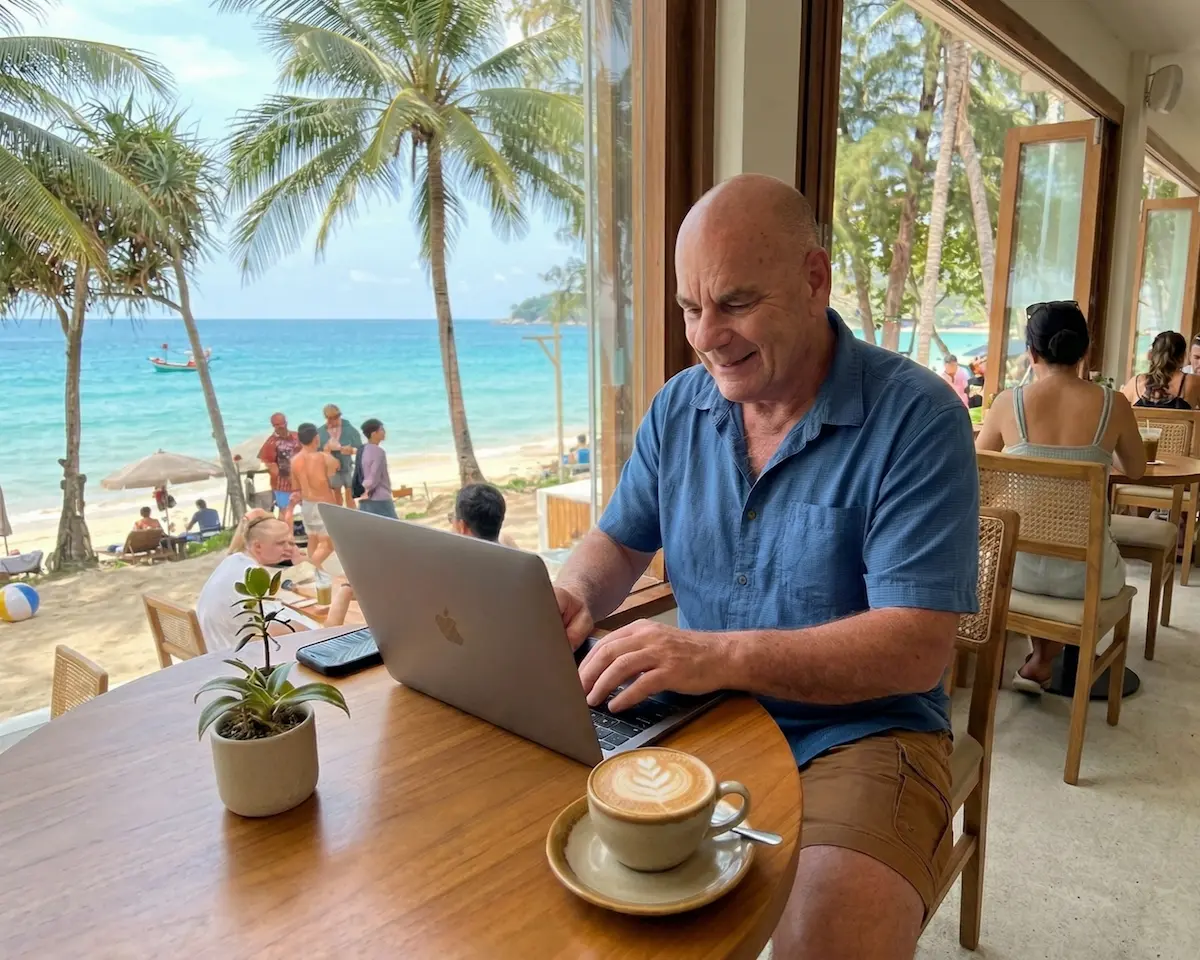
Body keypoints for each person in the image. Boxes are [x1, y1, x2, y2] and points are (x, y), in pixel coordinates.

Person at [552, 174, 978, 960]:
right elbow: (616, 542)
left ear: (814, 280)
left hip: (862, 732)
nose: (707, 334)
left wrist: (710, 654)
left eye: (735, 303)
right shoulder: (680, 407)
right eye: (689, 308)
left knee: (822, 944)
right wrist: (572, 592)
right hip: (697, 716)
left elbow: (917, 646)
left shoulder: (918, 418)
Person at [976, 301, 1146, 692]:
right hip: (1088, 580)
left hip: (1014, 573)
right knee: (1093, 556)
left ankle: (1040, 657)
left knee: (1040, 554)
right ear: (1084, 351)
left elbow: (981, 477)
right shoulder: (1114, 404)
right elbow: (1135, 469)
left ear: (1031, 353)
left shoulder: (1007, 403)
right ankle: (1043, 659)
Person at [195, 509, 355, 650]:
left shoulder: (234, 562)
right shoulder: (253, 578)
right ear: (257, 546)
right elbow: (324, 638)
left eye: (291, 542)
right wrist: (347, 589)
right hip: (250, 663)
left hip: (224, 649)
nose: (289, 548)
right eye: (281, 543)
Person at [291, 422, 340, 570]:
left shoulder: (294, 460)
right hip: (322, 504)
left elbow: (295, 487)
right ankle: (313, 567)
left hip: (307, 504)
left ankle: (315, 571)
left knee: (312, 539)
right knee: (328, 545)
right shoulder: (321, 457)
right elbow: (335, 468)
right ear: (316, 438)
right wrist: (328, 451)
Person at [1120, 330, 1200, 409]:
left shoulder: (1136, 383)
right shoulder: (1193, 382)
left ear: (1152, 355)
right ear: (1183, 357)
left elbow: (1116, 412)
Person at [258, 413, 303, 524]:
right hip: (282, 485)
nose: (279, 427)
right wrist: (288, 478)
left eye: (281, 423)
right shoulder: (271, 443)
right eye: (276, 425)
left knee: (307, 508)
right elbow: (270, 464)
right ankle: (284, 537)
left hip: (301, 481)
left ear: (286, 422)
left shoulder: (297, 437)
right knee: (285, 512)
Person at [317, 404, 362, 509]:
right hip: (331, 470)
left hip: (347, 466)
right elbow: (316, 453)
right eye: (330, 418)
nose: (333, 421)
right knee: (336, 495)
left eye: (336, 417)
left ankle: (353, 517)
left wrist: (351, 450)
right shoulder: (320, 433)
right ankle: (339, 517)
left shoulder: (349, 429)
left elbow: (360, 449)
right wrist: (325, 450)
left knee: (350, 494)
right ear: (326, 418)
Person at [357, 418, 397, 519]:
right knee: (395, 530)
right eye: (382, 430)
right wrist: (367, 490)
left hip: (365, 499)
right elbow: (374, 476)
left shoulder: (362, 450)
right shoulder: (379, 452)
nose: (384, 432)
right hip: (380, 498)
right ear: (374, 433)